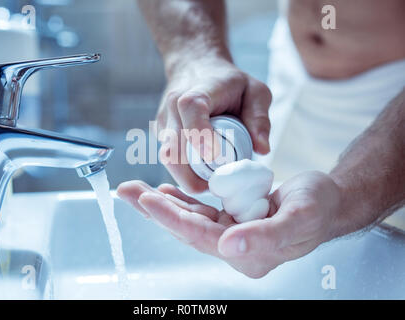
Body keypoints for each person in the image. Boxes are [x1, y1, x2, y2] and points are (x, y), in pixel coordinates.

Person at [117, 0, 405, 278]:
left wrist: (349, 197)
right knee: (279, 253)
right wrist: (196, 56)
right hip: (289, 80)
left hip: (391, 118)